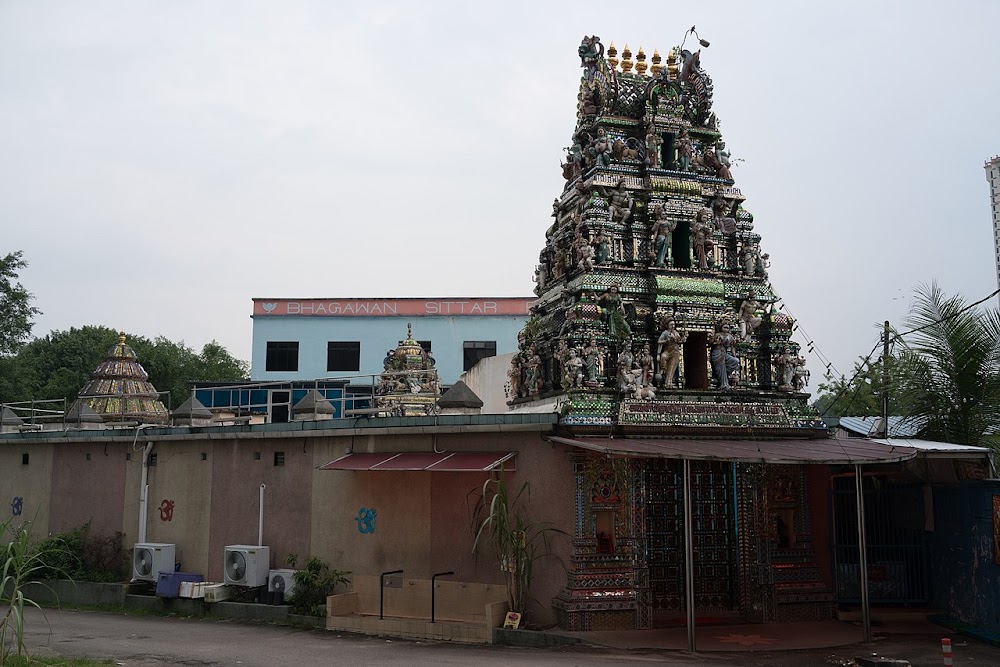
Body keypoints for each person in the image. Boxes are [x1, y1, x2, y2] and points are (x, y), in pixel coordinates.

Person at [656, 318, 688, 388]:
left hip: (675, 351)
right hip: (668, 350)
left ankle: (669, 382)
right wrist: (658, 353)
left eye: (674, 324)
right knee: (663, 357)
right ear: (667, 325)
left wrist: (684, 338)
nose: (673, 326)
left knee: (672, 367)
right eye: (671, 324)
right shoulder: (665, 333)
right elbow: (659, 342)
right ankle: (663, 371)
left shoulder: (675, 333)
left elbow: (679, 341)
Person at [710, 323, 739, 389]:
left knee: (735, 361)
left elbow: (732, 347)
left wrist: (734, 355)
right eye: (724, 327)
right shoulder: (718, 335)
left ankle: (726, 374)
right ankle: (724, 383)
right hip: (717, 352)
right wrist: (717, 341)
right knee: (721, 366)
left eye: (727, 328)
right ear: (721, 328)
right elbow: (711, 343)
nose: (726, 329)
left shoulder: (730, 336)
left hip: (725, 353)